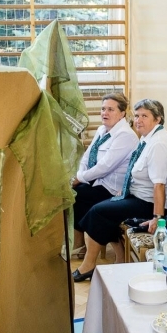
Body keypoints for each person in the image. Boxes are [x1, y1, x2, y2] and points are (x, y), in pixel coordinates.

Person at [73, 99, 167, 282]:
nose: (138, 120)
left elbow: (159, 185)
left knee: (98, 211)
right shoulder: (147, 138)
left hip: (150, 204)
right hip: (138, 196)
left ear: (158, 119)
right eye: (136, 116)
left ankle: (88, 266)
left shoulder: (158, 144)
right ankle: (114, 259)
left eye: (144, 116)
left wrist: (158, 218)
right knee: (99, 208)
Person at [68, 93, 139, 259]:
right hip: (99, 182)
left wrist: (80, 178)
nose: (104, 113)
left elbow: (105, 166)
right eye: (103, 109)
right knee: (76, 195)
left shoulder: (126, 135)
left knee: (81, 198)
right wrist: (80, 175)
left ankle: (99, 245)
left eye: (110, 109)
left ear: (122, 113)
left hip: (115, 189)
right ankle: (81, 244)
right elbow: (87, 156)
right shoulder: (102, 130)